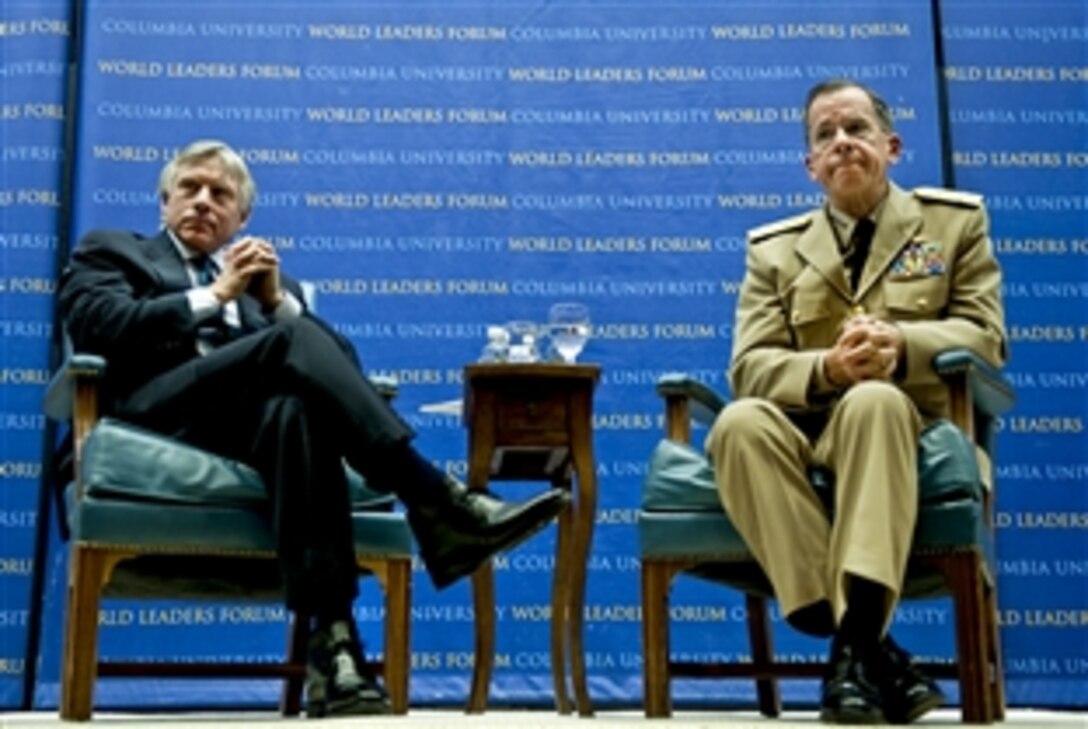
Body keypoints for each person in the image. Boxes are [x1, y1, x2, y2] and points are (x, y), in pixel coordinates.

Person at [57, 139, 570, 718]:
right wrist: (214, 296)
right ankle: (438, 501)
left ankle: (336, 654)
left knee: (298, 414)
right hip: (158, 416)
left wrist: (275, 302)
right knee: (295, 348)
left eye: (220, 194)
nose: (202, 202)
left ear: (241, 218)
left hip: (250, 432)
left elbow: (343, 370)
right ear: (164, 202)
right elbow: (100, 325)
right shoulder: (115, 250)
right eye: (190, 189)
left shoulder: (272, 289)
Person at [705, 79, 1007, 725]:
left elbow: (987, 337)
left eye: (856, 129)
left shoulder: (953, 224)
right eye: (824, 135)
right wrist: (827, 367)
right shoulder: (773, 251)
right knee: (736, 422)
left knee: (873, 399)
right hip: (800, 426)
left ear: (891, 146)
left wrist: (903, 342)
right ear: (810, 166)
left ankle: (855, 649)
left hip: (908, 424)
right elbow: (750, 366)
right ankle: (870, 647)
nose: (841, 142)